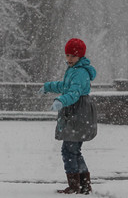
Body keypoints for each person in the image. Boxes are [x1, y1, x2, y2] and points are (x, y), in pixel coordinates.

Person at [38, 38, 97, 194]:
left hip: (78, 114)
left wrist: (61, 100)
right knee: (74, 150)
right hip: (76, 114)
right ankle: (83, 185)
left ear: (80, 57)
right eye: (67, 55)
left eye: (72, 56)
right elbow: (65, 86)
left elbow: (74, 93)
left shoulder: (80, 73)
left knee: (68, 150)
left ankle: (75, 186)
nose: (69, 59)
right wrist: (48, 87)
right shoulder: (74, 70)